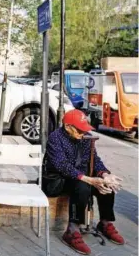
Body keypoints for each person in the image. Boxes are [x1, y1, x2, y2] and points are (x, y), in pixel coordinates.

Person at [43, 109, 125, 255]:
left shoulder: (86, 138)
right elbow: (62, 166)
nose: (83, 134)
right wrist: (89, 179)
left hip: (79, 178)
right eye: (79, 130)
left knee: (107, 183)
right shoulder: (55, 138)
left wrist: (105, 175)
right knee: (82, 185)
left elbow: (95, 159)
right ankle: (72, 230)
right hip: (57, 181)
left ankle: (105, 222)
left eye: (84, 130)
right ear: (68, 126)